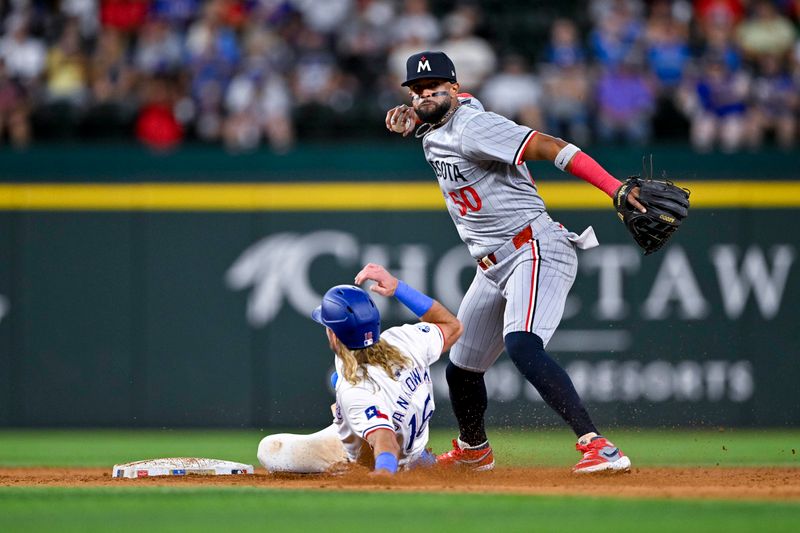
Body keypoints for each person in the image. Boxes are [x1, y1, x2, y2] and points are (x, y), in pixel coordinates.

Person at [385, 51, 639, 474]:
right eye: (417, 90)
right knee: (462, 368)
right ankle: (474, 449)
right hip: (493, 264)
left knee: (522, 344)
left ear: (455, 87)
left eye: (435, 87)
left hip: (533, 247)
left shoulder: (475, 125)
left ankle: (599, 446)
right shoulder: (434, 127)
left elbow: (549, 146)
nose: (425, 94)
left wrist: (613, 188)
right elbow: (431, 119)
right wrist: (415, 117)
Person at [257, 263, 462, 475]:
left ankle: (348, 470)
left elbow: (386, 441)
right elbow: (453, 326)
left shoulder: (355, 390)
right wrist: (398, 287)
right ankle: (421, 460)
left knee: (270, 449)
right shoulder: (404, 340)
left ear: (334, 335)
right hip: (413, 445)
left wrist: (382, 474)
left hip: (384, 459)